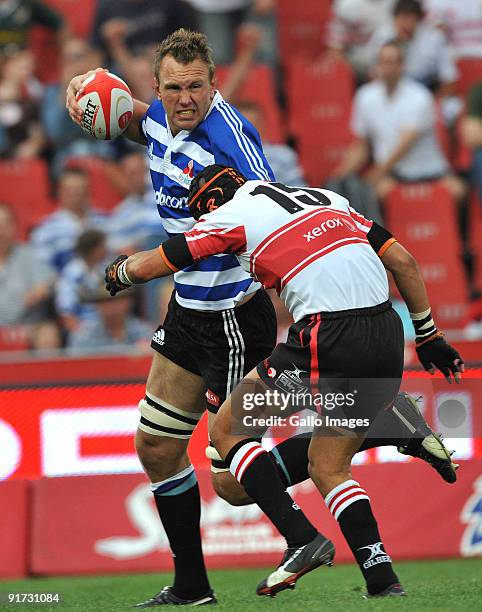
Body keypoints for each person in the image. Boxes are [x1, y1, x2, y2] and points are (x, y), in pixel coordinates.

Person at [69, 29, 458, 607]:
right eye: (174, 88)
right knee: (155, 447)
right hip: (187, 311)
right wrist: (98, 104)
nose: (186, 99)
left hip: (230, 311)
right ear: (157, 87)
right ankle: (193, 587)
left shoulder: (231, 143)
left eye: (197, 87)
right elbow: (137, 124)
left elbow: (266, 218)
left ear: (214, 83)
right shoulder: (156, 119)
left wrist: (129, 272)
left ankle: (363, 444)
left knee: (231, 483)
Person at [105, 165, 464, 599]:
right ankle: (383, 581)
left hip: (326, 334)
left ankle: (301, 538)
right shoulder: (327, 197)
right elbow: (403, 261)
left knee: (227, 430)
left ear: (211, 204)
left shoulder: (227, 215)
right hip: (388, 329)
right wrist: (428, 335)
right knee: (327, 466)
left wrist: (118, 272)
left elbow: (152, 266)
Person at [332, 41, 465, 204]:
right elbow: (361, 145)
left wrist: (377, 172)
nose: (387, 67)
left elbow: (405, 144)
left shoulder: (420, 96)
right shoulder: (365, 96)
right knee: (371, 194)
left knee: (458, 192)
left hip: (430, 171)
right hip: (394, 174)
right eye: (383, 61)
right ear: (377, 64)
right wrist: (340, 175)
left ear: (402, 65)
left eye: (392, 62)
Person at [0, 202, 60, 349]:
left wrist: (42, 289)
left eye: (5, 224)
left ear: (14, 226)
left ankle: (46, 372)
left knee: (48, 334)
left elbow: (51, 282)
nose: (1, 231)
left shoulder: (30, 254)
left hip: (28, 327)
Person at [366, 0, 458, 95]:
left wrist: (435, 104)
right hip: (390, 88)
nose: (406, 25)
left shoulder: (435, 39)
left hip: (426, 89)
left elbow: (448, 77)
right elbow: (372, 73)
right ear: (394, 19)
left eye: (411, 19)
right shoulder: (382, 37)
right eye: (402, 19)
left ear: (419, 21)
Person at [31, 167, 106, 272]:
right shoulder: (45, 230)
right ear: (59, 192)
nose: (77, 194)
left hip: (108, 283)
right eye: (71, 190)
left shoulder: (105, 221)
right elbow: (42, 272)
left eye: (82, 188)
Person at [67, 282, 150, 354]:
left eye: (116, 299)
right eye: (105, 301)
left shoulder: (144, 332)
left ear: (128, 301)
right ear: (97, 305)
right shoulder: (83, 336)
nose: (111, 306)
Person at [55, 229, 108, 335]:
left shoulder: (107, 268)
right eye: (102, 246)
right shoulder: (71, 273)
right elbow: (66, 313)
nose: (106, 250)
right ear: (92, 249)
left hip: (108, 326)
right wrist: (82, 336)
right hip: (82, 330)